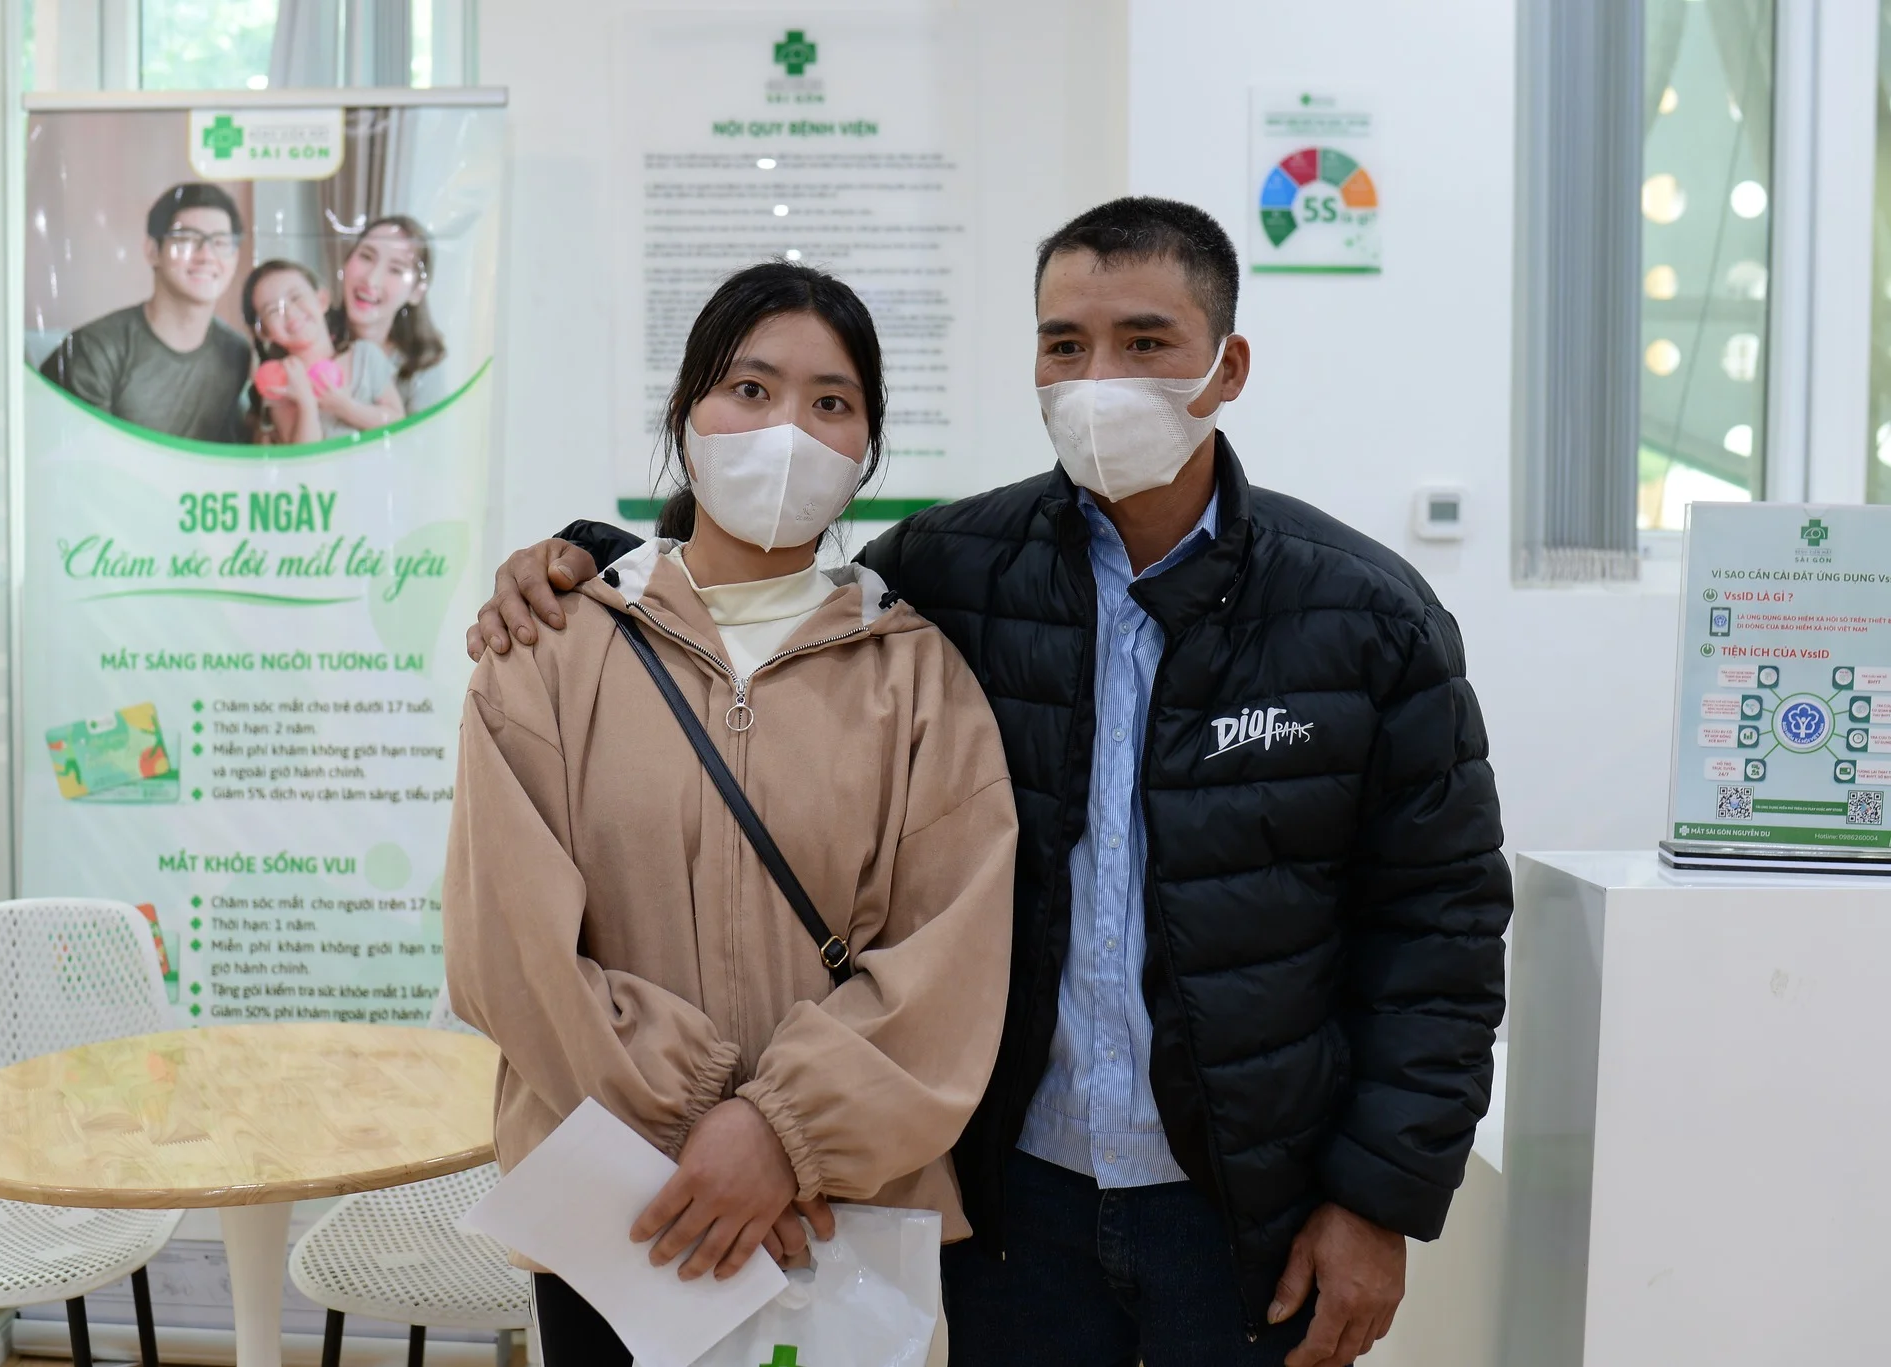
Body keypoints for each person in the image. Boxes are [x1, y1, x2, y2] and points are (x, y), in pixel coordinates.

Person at [463, 198, 1513, 1367]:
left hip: (1243, 1202)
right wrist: (580, 557)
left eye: (1145, 341)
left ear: (1225, 367)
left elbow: (1439, 926)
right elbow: (742, 600)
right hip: (1014, 1203)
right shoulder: (955, 569)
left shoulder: (1363, 615)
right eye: (1065, 343)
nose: (1099, 378)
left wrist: (1378, 1197)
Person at [443, 260, 1016, 1367]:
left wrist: (782, 1133)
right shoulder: (546, 651)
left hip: (840, 1213)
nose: (787, 430)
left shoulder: (920, 680)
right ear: (685, 413)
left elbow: (949, 965)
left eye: (830, 402)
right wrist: (692, 1118)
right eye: (750, 389)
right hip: (613, 1203)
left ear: (866, 448)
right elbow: (506, 946)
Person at [39, 183, 254, 443]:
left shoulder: (235, 353)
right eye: (186, 240)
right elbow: (81, 460)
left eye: (220, 242)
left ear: (234, 257)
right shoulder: (95, 350)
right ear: (153, 251)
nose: (206, 256)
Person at [240, 259, 405, 443]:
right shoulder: (279, 384)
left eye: (295, 297)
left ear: (322, 300)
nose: (290, 313)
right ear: (265, 332)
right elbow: (303, 455)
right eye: (273, 310)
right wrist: (306, 403)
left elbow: (398, 422)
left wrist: (345, 407)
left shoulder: (365, 356)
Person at [329, 216, 449, 413]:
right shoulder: (309, 336)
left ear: (416, 291)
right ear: (346, 262)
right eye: (366, 257)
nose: (371, 280)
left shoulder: (421, 367)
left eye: (395, 270)